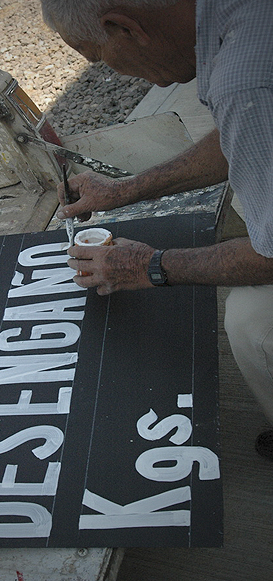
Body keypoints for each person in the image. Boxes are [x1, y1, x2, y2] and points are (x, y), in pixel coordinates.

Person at [39, 0, 273, 459]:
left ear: (123, 27)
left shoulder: (242, 82)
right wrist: (122, 191)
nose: (112, 72)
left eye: (98, 57)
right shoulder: (239, 21)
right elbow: (239, 136)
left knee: (251, 319)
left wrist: (149, 266)